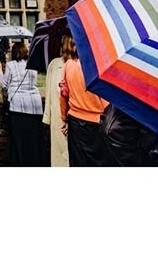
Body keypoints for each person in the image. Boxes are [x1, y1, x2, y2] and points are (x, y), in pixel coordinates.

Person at [59, 35, 109, 167]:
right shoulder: (98, 65)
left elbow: (63, 95)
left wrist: (64, 119)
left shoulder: (68, 65)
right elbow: (107, 99)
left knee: (78, 162)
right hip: (98, 122)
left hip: (75, 121)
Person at [0, 41, 43, 166]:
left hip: (18, 106)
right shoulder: (33, 64)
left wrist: (0, 71)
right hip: (34, 105)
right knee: (33, 139)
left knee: (19, 139)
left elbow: (5, 85)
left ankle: (21, 162)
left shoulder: (11, 65)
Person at [42, 53, 69, 167]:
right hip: (58, 116)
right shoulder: (54, 64)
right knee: (59, 155)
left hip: (78, 117)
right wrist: (47, 116)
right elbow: (49, 92)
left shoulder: (84, 63)